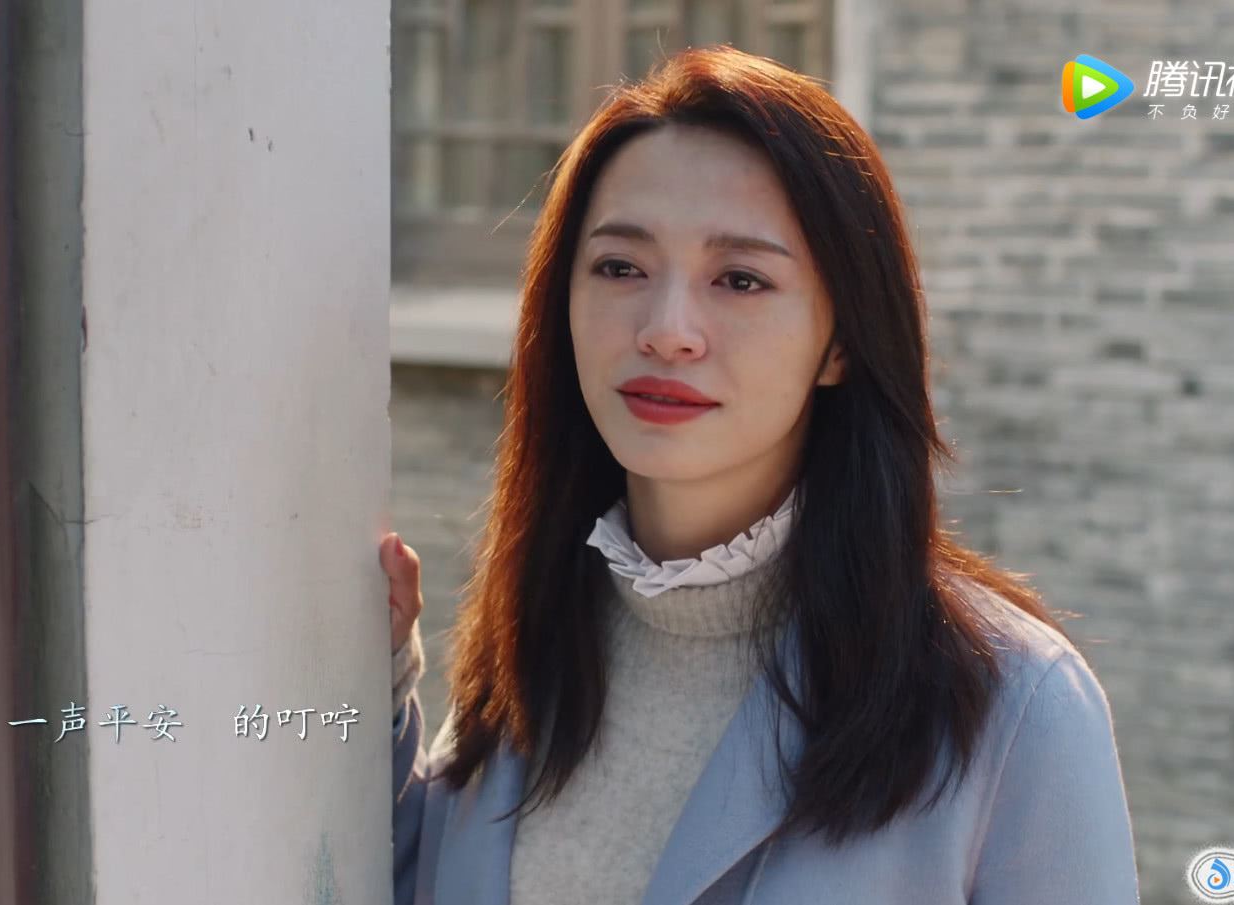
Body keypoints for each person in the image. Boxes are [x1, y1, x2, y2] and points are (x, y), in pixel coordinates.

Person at [383, 44, 1139, 905]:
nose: (667, 330)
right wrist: (369, 678)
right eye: (620, 267)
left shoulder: (1014, 710)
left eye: (740, 279)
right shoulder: (532, 647)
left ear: (843, 341)